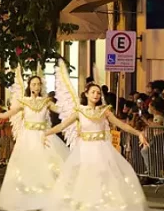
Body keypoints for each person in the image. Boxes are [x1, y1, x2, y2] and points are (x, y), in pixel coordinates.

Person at [41, 60, 150, 211]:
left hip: (102, 148)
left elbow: (121, 124)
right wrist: (46, 133)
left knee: (104, 176)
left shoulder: (104, 111)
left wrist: (138, 133)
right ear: (86, 94)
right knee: (85, 177)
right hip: (85, 149)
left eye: (98, 93)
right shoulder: (79, 111)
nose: (96, 95)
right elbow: (62, 125)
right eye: (93, 92)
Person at [0, 66, 69, 211]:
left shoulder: (47, 102)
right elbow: (5, 115)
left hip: (44, 137)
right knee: (28, 170)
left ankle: (48, 200)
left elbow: (63, 111)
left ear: (41, 86)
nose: (36, 86)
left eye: (38, 84)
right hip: (28, 138)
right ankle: (30, 200)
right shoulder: (23, 102)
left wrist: (78, 109)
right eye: (33, 84)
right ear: (29, 86)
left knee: (50, 168)